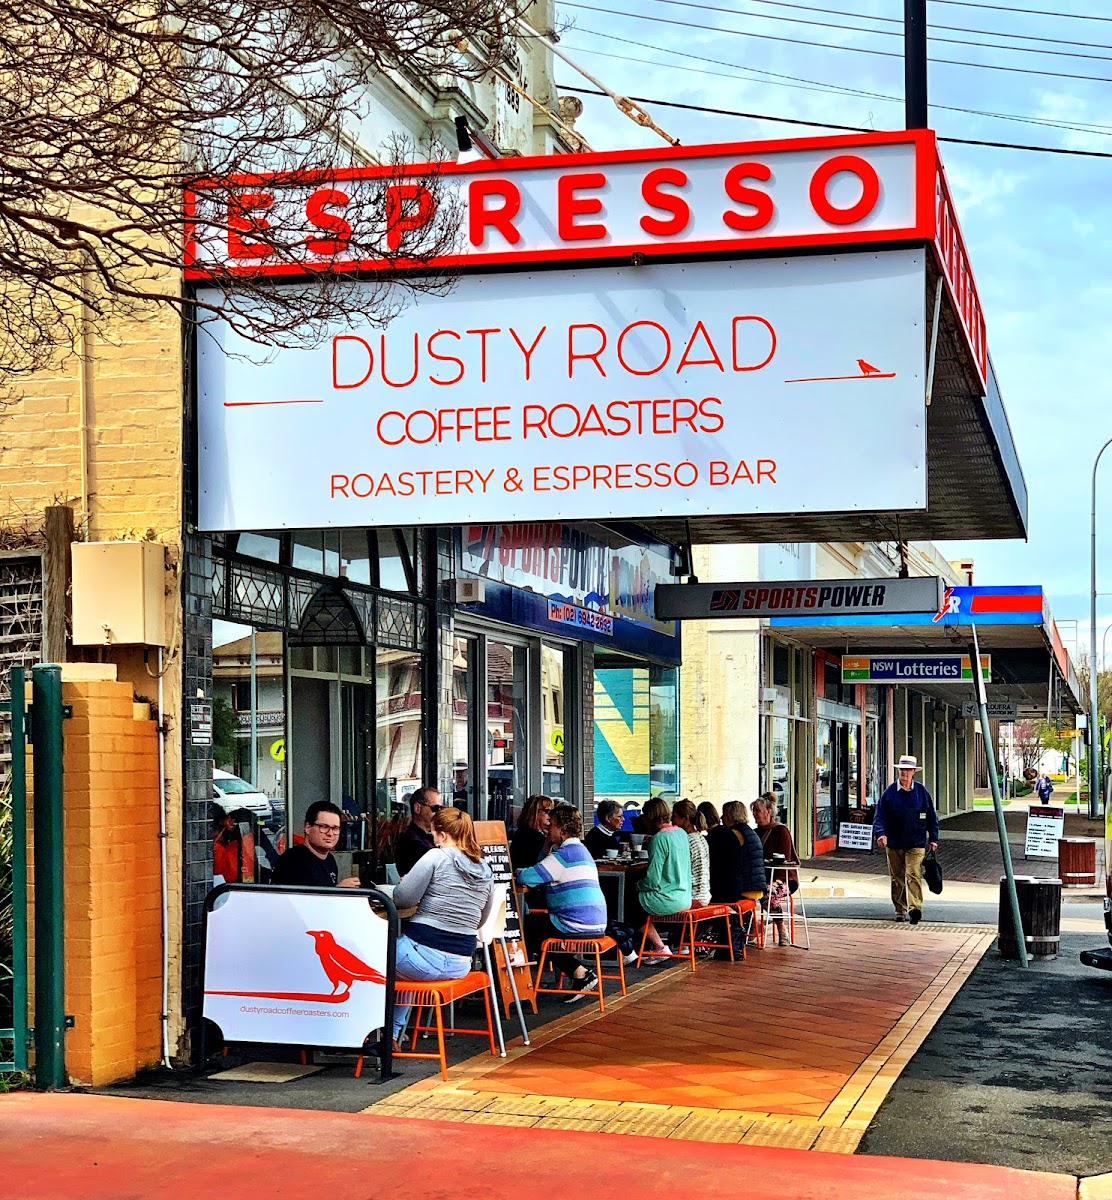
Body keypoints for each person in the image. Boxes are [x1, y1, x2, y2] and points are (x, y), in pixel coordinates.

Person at [390, 806, 495, 1046]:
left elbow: (402, 898)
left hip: (420, 956)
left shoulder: (436, 857)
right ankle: (392, 1033)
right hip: (460, 963)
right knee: (404, 968)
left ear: (443, 835)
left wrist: (408, 883)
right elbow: (480, 920)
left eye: (433, 833)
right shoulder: (486, 869)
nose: (432, 838)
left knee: (369, 962)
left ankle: (370, 1033)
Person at [516, 805, 611, 1001]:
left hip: (574, 923)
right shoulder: (581, 851)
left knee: (524, 929)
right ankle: (577, 972)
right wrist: (546, 847)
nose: (547, 830)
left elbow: (526, 877)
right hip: (597, 922)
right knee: (539, 927)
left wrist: (518, 871)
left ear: (560, 828)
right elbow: (543, 867)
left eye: (551, 825)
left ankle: (579, 973)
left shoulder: (562, 857)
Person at [874, 754, 939, 925]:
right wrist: (880, 833)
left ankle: (914, 908)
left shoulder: (921, 792)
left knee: (913, 874)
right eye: (902, 770)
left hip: (916, 843)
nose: (904, 773)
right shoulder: (889, 793)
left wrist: (933, 838)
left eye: (908, 770)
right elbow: (879, 816)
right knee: (897, 878)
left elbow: (932, 817)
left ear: (913, 772)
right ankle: (900, 909)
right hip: (894, 843)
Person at [629, 796, 692, 961]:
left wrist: (638, 885)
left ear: (650, 818)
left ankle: (656, 946)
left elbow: (652, 880)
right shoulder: (681, 833)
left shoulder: (658, 839)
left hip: (667, 899)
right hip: (685, 896)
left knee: (628, 902)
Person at [706, 801, 766, 952]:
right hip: (756, 885)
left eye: (724, 814)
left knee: (714, 897)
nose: (722, 818)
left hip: (746, 887)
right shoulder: (749, 832)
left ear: (731, 817)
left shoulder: (735, 834)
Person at [272, 801, 361, 888]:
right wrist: (339, 891)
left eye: (335, 828)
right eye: (324, 827)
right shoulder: (292, 861)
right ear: (308, 828)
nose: (330, 833)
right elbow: (299, 900)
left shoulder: (330, 859)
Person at [752, 794, 798, 946]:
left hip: (785, 878)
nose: (755, 814)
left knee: (769, 893)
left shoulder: (780, 830)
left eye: (758, 810)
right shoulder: (755, 833)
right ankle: (751, 928)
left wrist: (772, 881)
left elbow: (784, 861)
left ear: (769, 812)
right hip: (762, 878)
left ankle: (781, 928)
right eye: (754, 810)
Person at [394, 787, 441, 877]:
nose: (439, 813)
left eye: (441, 808)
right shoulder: (411, 842)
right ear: (417, 808)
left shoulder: (426, 837)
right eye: (435, 808)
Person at [671, 799, 710, 907]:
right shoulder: (701, 838)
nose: (672, 820)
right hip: (704, 896)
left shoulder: (685, 841)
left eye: (674, 816)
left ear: (686, 818)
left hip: (691, 897)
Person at [510, 794, 553, 870]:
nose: (551, 816)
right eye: (547, 811)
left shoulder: (522, 833)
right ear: (535, 812)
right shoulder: (533, 837)